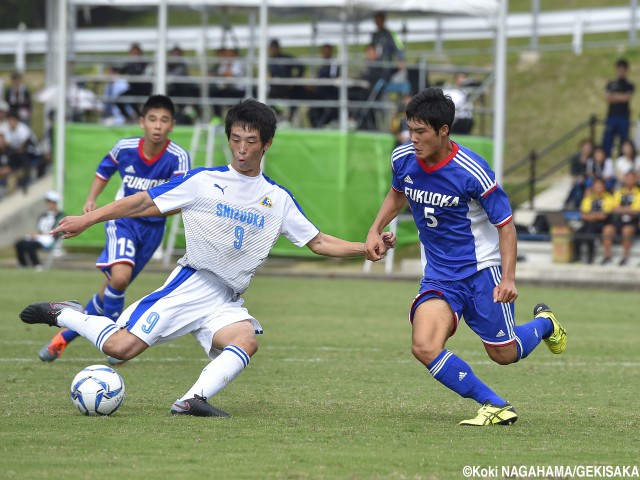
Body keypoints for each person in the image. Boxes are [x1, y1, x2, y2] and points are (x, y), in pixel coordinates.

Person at [20, 98, 395, 417]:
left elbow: (317, 241)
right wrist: (89, 218)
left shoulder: (277, 199)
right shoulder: (202, 181)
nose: (242, 149)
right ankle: (63, 313)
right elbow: (143, 200)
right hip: (191, 284)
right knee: (120, 348)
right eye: (235, 140)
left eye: (251, 141)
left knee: (245, 339)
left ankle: (191, 400)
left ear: (267, 143)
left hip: (226, 297)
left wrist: (365, 249)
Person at [364, 88, 567, 426]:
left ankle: (545, 323)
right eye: (409, 130)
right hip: (440, 276)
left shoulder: (473, 171)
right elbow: (398, 192)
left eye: (420, 132)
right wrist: (375, 228)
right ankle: (494, 404)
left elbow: (506, 226)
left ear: (444, 131)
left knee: (504, 353)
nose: (412, 138)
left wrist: (509, 278)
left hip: (482, 273)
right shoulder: (403, 158)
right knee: (424, 345)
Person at [37, 94, 191, 364]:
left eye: (164, 120)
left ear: (172, 125)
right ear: (141, 122)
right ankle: (116, 341)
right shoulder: (125, 147)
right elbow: (104, 169)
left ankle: (63, 337)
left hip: (153, 231)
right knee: (119, 279)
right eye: (152, 119)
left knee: (109, 290)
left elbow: (180, 202)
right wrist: (91, 198)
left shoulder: (178, 158)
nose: (157, 125)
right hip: (123, 222)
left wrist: (144, 209)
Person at [14, 191, 64, 271]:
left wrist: (40, 234)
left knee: (30, 245)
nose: (50, 204)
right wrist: (36, 234)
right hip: (40, 236)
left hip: (49, 238)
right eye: (48, 202)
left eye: (52, 202)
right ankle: (23, 264)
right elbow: (40, 228)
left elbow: (58, 230)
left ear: (55, 203)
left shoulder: (60, 215)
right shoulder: (43, 215)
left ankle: (37, 265)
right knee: (19, 243)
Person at [600, 171, 640, 266]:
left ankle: (625, 258)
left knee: (626, 230)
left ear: (635, 179)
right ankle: (607, 257)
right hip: (618, 220)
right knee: (607, 229)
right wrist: (628, 209)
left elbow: (636, 211)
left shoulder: (638, 193)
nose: (630, 180)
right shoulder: (619, 192)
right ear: (624, 179)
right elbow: (614, 208)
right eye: (628, 178)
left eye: (632, 178)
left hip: (633, 221)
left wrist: (622, 209)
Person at [572, 177, 615, 264]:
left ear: (604, 186)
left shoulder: (609, 198)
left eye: (600, 185)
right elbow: (583, 214)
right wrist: (594, 215)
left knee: (590, 233)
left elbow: (604, 215)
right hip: (588, 224)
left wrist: (591, 215)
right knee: (577, 235)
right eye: (596, 185)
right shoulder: (588, 198)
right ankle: (577, 258)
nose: (598, 187)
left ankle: (590, 258)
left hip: (602, 224)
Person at [602, 58, 634, 158]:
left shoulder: (629, 84)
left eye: (623, 69)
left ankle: (622, 162)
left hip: (623, 116)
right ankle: (606, 162)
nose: (621, 71)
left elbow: (627, 98)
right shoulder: (611, 83)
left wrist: (614, 96)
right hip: (611, 116)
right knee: (607, 141)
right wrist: (620, 96)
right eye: (619, 69)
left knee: (623, 142)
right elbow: (607, 97)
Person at [307, 44, 340, 128]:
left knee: (316, 105)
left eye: (326, 50)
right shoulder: (323, 65)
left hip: (330, 92)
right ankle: (317, 125)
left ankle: (321, 124)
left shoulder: (333, 63)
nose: (325, 53)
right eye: (323, 51)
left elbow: (333, 78)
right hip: (321, 92)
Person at [370, 12, 406, 80]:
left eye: (379, 20)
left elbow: (399, 47)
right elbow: (371, 49)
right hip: (375, 66)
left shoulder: (390, 34)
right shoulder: (375, 35)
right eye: (376, 21)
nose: (377, 23)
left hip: (386, 66)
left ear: (383, 21)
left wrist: (401, 60)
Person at [564, 138, 594, 210]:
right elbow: (573, 172)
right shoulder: (575, 159)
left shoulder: (592, 159)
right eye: (585, 148)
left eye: (589, 148)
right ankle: (575, 205)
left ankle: (570, 203)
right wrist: (577, 178)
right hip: (578, 180)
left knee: (579, 187)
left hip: (588, 180)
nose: (587, 150)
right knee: (577, 186)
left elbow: (591, 172)